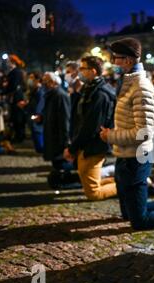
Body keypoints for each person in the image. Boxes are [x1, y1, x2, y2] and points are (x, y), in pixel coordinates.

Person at [100, 38, 154, 229]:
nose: (113, 62)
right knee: (129, 213)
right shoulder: (128, 83)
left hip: (137, 158)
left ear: (128, 60)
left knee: (139, 221)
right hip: (125, 156)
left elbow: (143, 132)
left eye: (116, 58)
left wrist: (111, 136)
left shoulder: (141, 87)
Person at [63, 56, 117, 201]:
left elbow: (90, 126)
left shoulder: (100, 94)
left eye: (82, 68)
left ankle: (133, 184)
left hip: (93, 146)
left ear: (92, 71)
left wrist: (73, 148)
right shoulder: (90, 89)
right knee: (91, 181)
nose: (79, 72)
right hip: (87, 145)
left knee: (93, 193)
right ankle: (128, 182)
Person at [42, 72, 73, 178]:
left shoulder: (60, 96)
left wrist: (65, 141)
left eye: (47, 81)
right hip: (53, 134)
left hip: (58, 137)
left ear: (54, 82)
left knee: (61, 162)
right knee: (56, 161)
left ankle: (65, 179)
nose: (44, 83)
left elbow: (65, 119)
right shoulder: (52, 95)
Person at [4, 54, 27, 143]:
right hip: (15, 95)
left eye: (8, 61)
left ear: (13, 62)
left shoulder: (16, 72)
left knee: (18, 116)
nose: (7, 63)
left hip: (16, 96)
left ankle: (19, 135)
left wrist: (6, 88)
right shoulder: (14, 71)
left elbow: (13, 85)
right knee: (15, 116)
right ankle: (17, 135)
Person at [26, 72, 45, 154]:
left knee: (38, 135)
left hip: (37, 117)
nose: (30, 80)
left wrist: (37, 115)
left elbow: (40, 104)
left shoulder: (40, 91)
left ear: (38, 80)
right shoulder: (34, 90)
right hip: (33, 116)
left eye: (32, 78)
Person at [65, 61, 83, 140]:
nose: (67, 74)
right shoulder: (71, 84)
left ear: (75, 72)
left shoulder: (79, 84)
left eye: (68, 72)